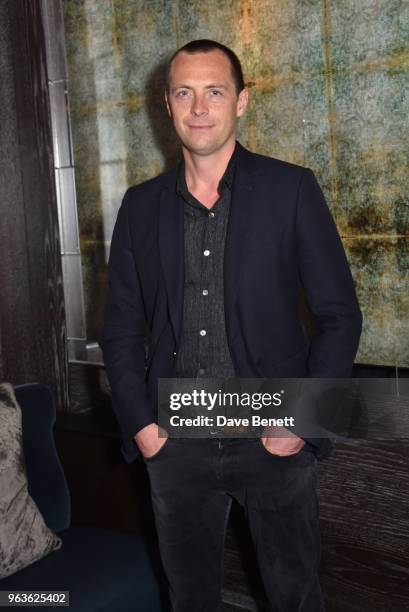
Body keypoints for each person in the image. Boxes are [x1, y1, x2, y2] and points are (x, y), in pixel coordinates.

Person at [100, 39, 362, 612]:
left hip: (275, 434)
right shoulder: (139, 207)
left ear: (240, 102)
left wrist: (301, 420)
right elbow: (120, 327)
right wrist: (143, 425)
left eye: (214, 92)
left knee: (295, 597)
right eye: (184, 93)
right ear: (167, 105)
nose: (199, 108)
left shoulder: (291, 190)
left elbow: (340, 316)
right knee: (189, 600)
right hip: (174, 440)